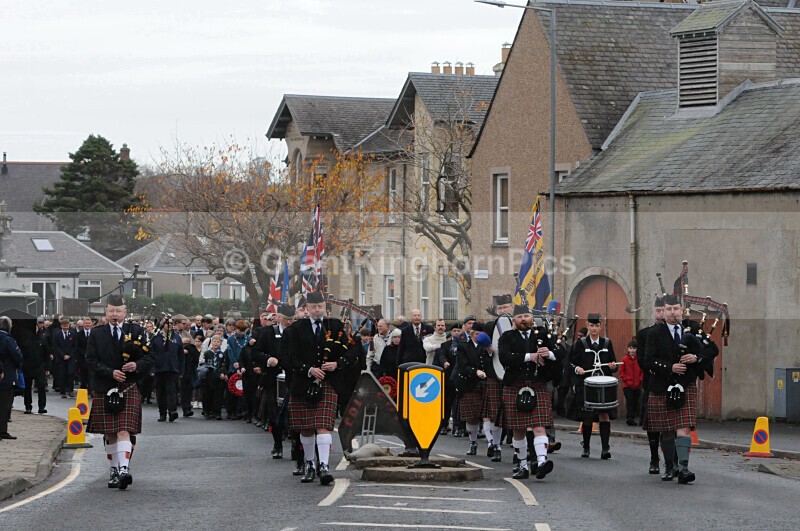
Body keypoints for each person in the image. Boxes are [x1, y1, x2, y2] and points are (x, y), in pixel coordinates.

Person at [278, 291, 357, 486]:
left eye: (320, 306)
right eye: (313, 307)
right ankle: (309, 464)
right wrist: (308, 369)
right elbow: (287, 357)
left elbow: (352, 351)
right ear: (306, 308)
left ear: (325, 307)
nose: (317, 310)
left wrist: (338, 364)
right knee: (306, 428)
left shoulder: (335, 326)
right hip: (302, 384)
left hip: (328, 383)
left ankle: (324, 467)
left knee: (323, 426)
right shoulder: (295, 330)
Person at [86, 294, 153, 490]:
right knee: (110, 432)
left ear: (125, 312)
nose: (115, 314)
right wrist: (110, 372)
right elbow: (90, 360)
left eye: (118, 311)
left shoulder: (137, 331)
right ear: (106, 311)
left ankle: (124, 470)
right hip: (105, 385)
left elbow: (149, 358)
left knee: (124, 430)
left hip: (128, 386)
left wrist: (137, 365)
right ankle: (114, 470)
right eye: (111, 311)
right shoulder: (96, 333)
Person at [643, 293, 705, 484]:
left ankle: (684, 468)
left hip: (686, 385)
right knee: (667, 430)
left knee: (684, 427)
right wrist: (670, 367)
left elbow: (710, 350)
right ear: (663, 312)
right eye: (668, 309)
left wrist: (696, 357)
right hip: (662, 386)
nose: (672, 312)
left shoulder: (692, 328)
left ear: (682, 310)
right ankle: (670, 466)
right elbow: (648, 360)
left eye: (676, 308)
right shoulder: (655, 333)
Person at [499, 305, 560, 479]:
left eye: (526, 316)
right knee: (518, 429)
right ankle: (522, 465)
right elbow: (505, 357)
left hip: (537, 384)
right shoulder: (507, 337)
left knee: (539, 426)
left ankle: (541, 462)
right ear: (514, 320)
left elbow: (560, 353)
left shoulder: (542, 335)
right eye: (520, 317)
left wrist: (549, 354)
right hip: (515, 384)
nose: (523, 319)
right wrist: (530, 357)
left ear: (532, 318)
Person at [570, 313, 617, 459]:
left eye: (597, 325)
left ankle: (605, 448)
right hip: (587, 385)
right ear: (587, 325)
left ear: (600, 326)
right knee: (587, 416)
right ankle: (586, 447)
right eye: (592, 325)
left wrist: (613, 366)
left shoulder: (607, 343)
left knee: (604, 415)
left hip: (603, 386)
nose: (594, 328)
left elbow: (613, 363)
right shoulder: (581, 343)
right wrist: (577, 369)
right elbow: (572, 362)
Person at [456, 324, 503, 460]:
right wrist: (475, 371)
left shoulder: (489, 347)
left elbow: (496, 364)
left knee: (491, 415)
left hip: (488, 383)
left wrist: (490, 351)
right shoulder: (464, 346)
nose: (480, 336)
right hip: (470, 383)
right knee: (472, 417)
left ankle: (493, 444)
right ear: (471, 334)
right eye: (477, 334)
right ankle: (473, 443)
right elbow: (462, 365)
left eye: (482, 334)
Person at [637, 296, 666, 474]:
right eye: (658, 311)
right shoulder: (644, 334)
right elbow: (642, 361)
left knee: (670, 426)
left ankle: (671, 460)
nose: (661, 314)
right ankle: (654, 458)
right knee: (653, 425)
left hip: (670, 384)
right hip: (652, 383)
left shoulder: (674, 333)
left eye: (664, 310)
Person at [151, 314, 187, 422]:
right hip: (159, 369)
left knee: (172, 391)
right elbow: (150, 354)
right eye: (168, 323)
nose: (170, 325)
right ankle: (162, 413)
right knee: (160, 392)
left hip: (172, 368)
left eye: (172, 323)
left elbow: (181, 355)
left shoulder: (176, 337)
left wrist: (181, 370)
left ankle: (172, 411)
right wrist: (151, 368)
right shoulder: (155, 337)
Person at [434, 324, 461, 435]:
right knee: (446, 404)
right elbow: (442, 356)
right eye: (454, 331)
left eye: (458, 330)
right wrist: (445, 362)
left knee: (458, 404)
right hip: (448, 379)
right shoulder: (445, 345)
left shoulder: (464, 344)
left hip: (461, 378)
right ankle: (444, 425)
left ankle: (458, 427)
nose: (456, 333)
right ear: (451, 333)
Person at [0, 316, 24, 440]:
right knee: (5, 405)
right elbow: (17, 356)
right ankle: (2, 431)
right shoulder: (8, 339)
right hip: (7, 374)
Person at [23, 317, 51, 414]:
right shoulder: (25, 339)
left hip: (40, 366)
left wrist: (47, 368)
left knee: (41, 387)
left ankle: (41, 407)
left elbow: (47, 354)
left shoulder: (42, 338)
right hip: (27, 367)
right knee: (27, 388)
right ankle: (28, 407)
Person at [53, 317, 78, 398]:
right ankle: (63, 391)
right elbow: (56, 346)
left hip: (71, 358)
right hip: (61, 358)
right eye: (63, 325)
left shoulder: (73, 334)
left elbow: (75, 346)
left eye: (66, 325)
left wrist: (70, 355)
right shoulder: (57, 334)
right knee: (62, 374)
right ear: (61, 326)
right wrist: (63, 355)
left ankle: (70, 390)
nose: (65, 327)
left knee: (70, 373)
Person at [619, 340, 643, 426]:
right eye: (630, 348)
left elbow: (642, 371)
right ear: (628, 349)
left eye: (634, 348)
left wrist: (640, 379)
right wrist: (626, 379)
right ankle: (630, 418)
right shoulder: (625, 359)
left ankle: (632, 416)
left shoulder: (639, 359)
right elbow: (621, 371)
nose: (632, 350)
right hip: (627, 385)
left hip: (637, 385)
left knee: (635, 401)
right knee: (630, 401)